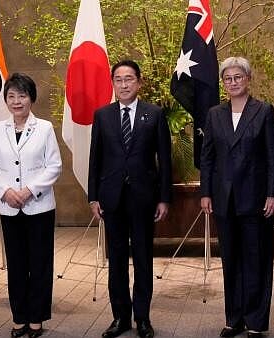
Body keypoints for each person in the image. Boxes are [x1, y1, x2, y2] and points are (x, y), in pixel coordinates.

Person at [200, 57, 274, 338]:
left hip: (257, 199)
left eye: (238, 77)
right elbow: (207, 157)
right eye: (228, 78)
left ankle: (256, 321)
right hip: (224, 201)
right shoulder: (214, 114)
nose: (233, 82)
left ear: (248, 79)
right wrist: (206, 193)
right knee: (231, 260)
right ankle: (233, 318)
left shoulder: (264, 111)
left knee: (256, 259)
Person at [88, 60, 172, 338]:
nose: (123, 85)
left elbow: (165, 160)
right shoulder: (102, 115)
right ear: (113, 83)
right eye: (118, 80)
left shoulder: (155, 114)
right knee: (117, 261)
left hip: (143, 198)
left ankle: (143, 318)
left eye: (129, 79)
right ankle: (120, 317)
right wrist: (93, 197)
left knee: (144, 258)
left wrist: (164, 198)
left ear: (139, 82)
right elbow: (95, 159)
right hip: (111, 199)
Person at [0, 73, 62, 338]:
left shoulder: (45, 128)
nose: (17, 101)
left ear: (31, 98)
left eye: (22, 95)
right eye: (11, 96)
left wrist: (29, 191)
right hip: (9, 207)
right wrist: (6, 192)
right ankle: (19, 317)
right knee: (16, 265)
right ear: (6, 99)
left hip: (39, 207)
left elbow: (54, 166)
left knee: (39, 263)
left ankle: (37, 318)